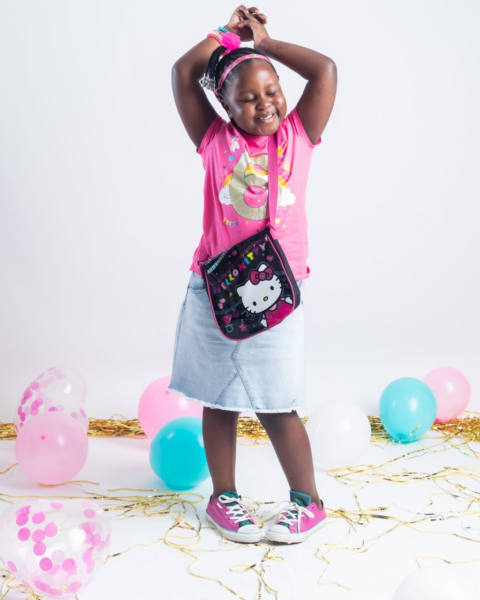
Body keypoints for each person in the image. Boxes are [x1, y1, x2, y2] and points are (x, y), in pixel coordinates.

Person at [168, 5, 337, 544]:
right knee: (218, 398)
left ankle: (307, 502)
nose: (264, 104)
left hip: (278, 294)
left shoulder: (299, 134)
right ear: (224, 103)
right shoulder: (214, 140)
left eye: (272, 91)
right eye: (248, 97)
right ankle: (225, 497)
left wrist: (263, 43)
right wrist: (226, 36)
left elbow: (326, 71)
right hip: (214, 286)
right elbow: (181, 73)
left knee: (276, 403)